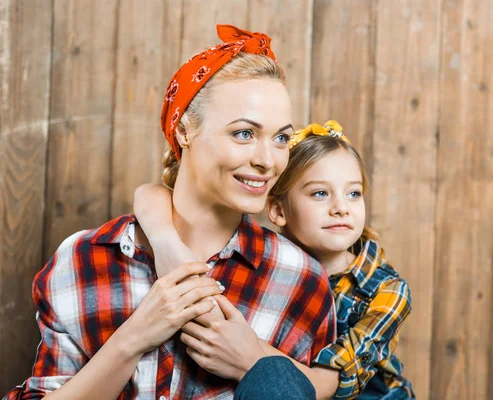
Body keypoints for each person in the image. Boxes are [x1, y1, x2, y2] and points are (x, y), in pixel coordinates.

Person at [3, 25, 336, 400]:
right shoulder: (83, 259)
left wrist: (255, 361)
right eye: (243, 133)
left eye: (280, 139)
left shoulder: (298, 279)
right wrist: (133, 338)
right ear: (184, 131)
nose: (266, 160)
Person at [135, 121, 415, 399]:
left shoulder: (387, 291)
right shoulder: (266, 258)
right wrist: (165, 242)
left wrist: (249, 355)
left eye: (353, 193)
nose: (341, 208)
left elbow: (331, 386)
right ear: (278, 211)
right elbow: (148, 193)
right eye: (320, 193)